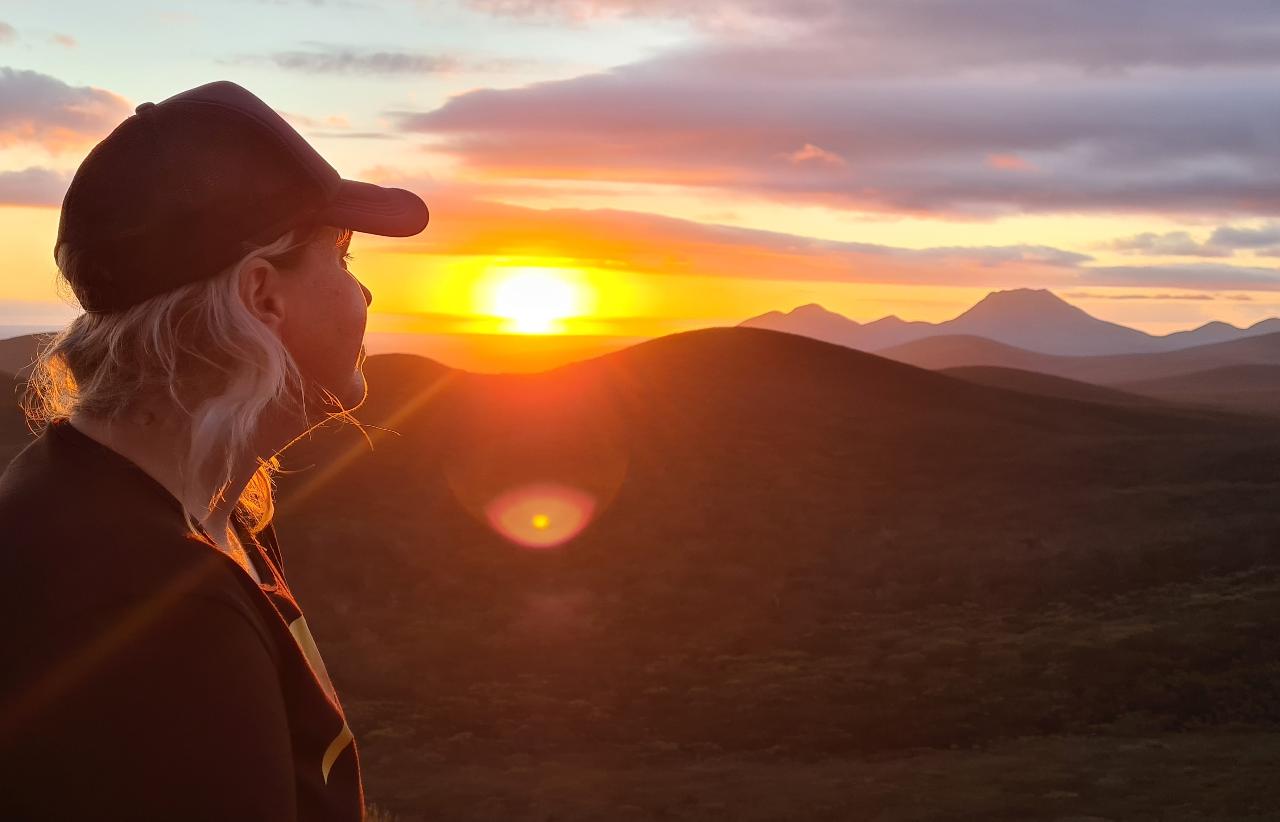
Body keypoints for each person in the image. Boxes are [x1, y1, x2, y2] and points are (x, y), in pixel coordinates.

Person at [0, 81, 428, 820]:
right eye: (346, 256)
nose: (365, 298)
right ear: (264, 296)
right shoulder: (151, 615)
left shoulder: (193, 514)